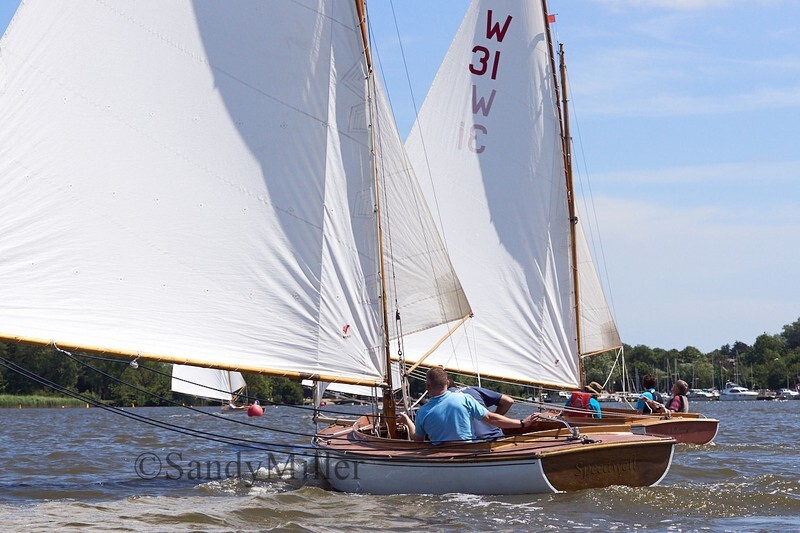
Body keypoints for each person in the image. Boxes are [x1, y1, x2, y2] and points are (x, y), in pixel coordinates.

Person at [396, 368, 537, 444]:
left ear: (427, 386)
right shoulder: (465, 399)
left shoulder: (422, 411)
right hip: (468, 452)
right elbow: (491, 418)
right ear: (447, 383)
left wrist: (407, 422)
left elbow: (418, 440)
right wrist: (522, 423)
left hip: (441, 456)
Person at [447, 379, 514, 439]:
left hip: (475, 443)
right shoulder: (472, 389)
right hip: (497, 436)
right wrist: (492, 419)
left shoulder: (442, 399)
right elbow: (508, 401)